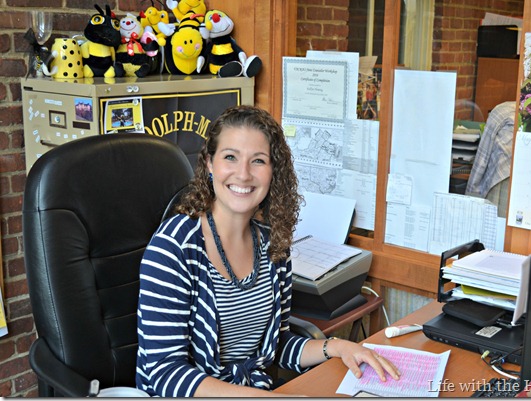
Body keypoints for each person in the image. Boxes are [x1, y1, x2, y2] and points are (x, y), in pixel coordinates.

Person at [136, 105, 400, 397]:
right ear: (210, 164)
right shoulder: (173, 248)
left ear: (273, 171)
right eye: (230, 157)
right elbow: (165, 374)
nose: (243, 174)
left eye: (258, 161)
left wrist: (337, 347)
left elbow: (276, 346)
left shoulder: (273, 245)